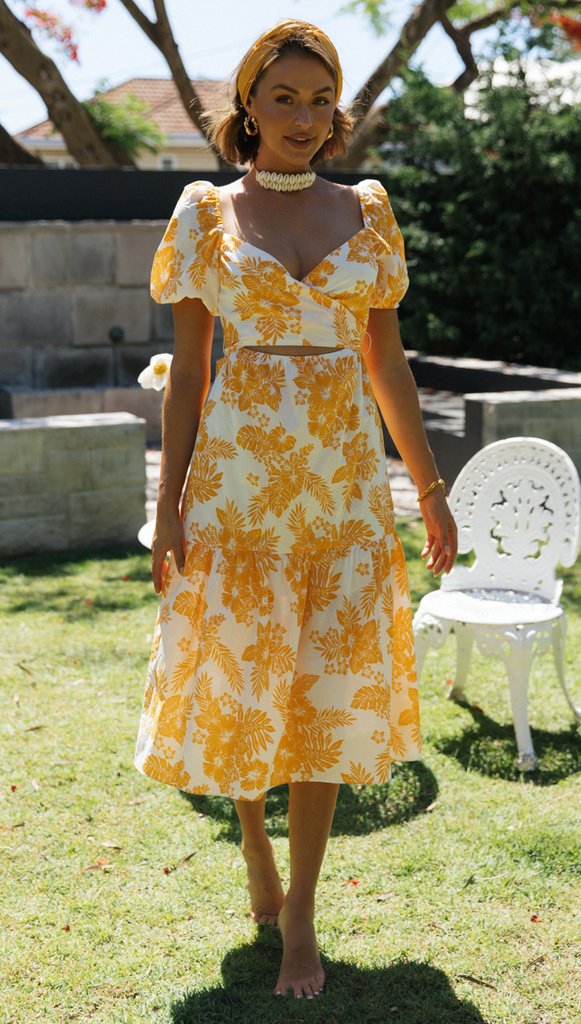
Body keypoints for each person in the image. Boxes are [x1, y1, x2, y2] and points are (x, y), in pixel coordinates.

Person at [134, 18, 458, 1001]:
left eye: (320, 101)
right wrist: (172, 499)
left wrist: (430, 488)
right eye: (284, 99)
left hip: (341, 492)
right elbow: (190, 371)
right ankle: (254, 851)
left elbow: (386, 362)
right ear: (247, 107)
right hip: (237, 489)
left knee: (319, 693)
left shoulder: (366, 210)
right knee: (244, 678)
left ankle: (302, 916)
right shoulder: (203, 213)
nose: (305, 119)